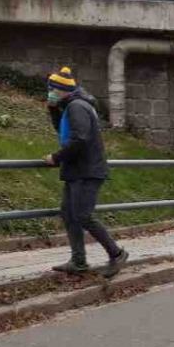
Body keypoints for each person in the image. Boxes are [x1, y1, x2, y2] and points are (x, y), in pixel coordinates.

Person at [43, 67, 129, 277]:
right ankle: (78, 261)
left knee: (82, 215)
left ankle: (116, 254)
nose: (50, 92)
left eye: (52, 89)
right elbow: (66, 132)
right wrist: (53, 109)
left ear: (61, 89)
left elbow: (80, 138)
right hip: (77, 170)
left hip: (86, 170)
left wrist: (56, 157)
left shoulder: (77, 107)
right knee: (70, 215)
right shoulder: (73, 106)